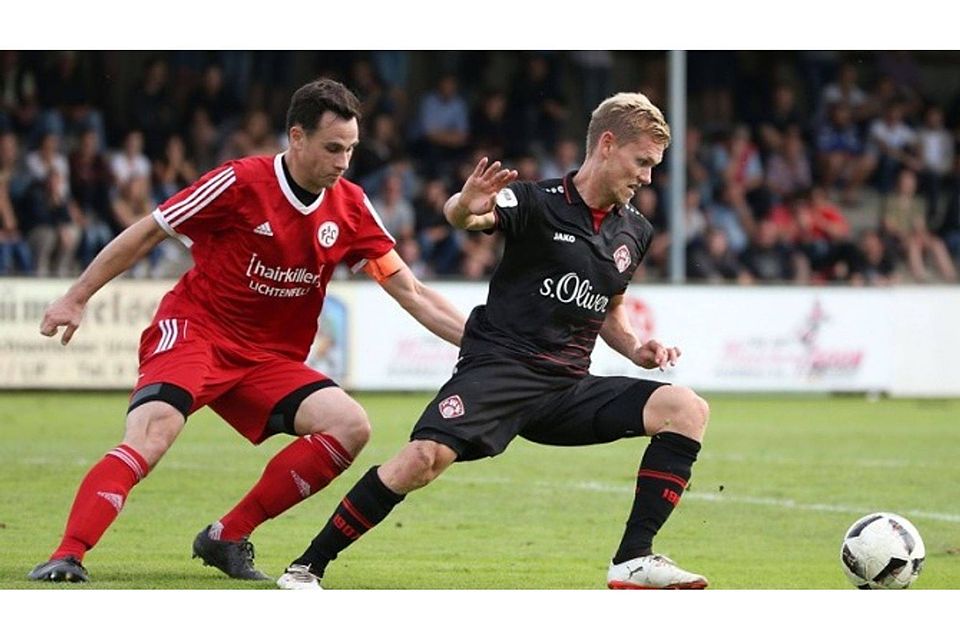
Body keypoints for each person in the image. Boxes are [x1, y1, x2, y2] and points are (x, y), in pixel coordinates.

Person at [27, 78, 467, 583]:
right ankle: (68, 554)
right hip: (197, 332)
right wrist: (77, 295)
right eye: (332, 148)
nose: (343, 161)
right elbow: (150, 230)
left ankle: (227, 535)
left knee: (351, 426)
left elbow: (410, 290)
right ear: (296, 137)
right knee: (154, 433)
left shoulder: (350, 207)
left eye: (350, 149)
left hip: (268, 361)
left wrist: (483, 344)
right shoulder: (239, 183)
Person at [278, 92, 711, 591]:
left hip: (568, 388)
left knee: (687, 409)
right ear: (608, 145)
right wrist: (465, 203)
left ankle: (633, 560)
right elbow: (466, 216)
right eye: (643, 162)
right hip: (499, 371)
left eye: (654, 166)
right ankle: (307, 566)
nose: (648, 177)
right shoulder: (536, 201)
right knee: (421, 460)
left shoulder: (634, 230)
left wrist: (636, 349)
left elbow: (611, 308)